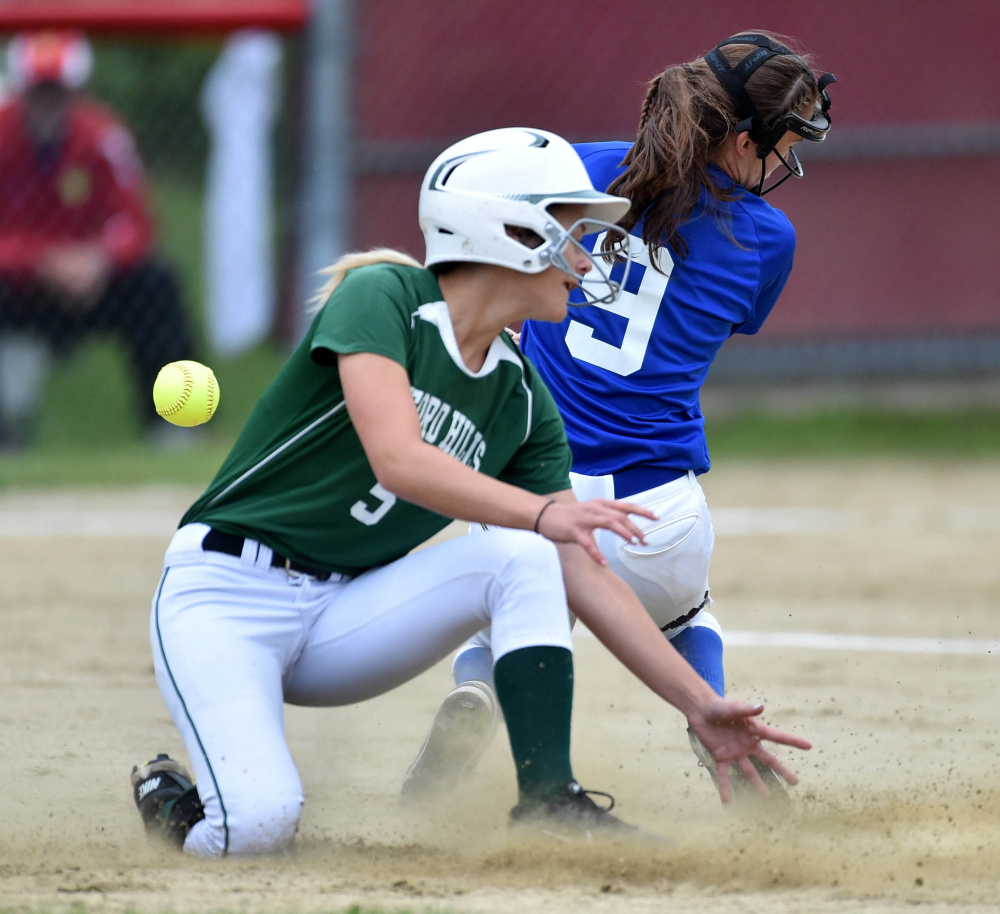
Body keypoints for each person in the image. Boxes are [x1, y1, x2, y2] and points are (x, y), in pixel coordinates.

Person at [129, 126, 810, 857]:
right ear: (509, 231)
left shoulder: (521, 397)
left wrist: (700, 704)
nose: (584, 261)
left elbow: (584, 569)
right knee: (260, 827)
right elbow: (398, 459)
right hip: (225, 598)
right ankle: (174, 806)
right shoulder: (383, 297)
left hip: (340, 618)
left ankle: (550, 797)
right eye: (571, 235)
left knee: (528, 556)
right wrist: (545, 511)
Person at [402, 32, 835, 805]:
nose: (783, 164)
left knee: (505, 613)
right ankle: (713, 716)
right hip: (655, 512)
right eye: (780, 146)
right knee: (688, 612)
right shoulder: (768, 239)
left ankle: (480, 689)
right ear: (740, 138)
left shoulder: (574, 171)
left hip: (537, 497)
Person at [0, 30, 196, 449]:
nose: (48, 102)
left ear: (77, 91)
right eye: (39, 90)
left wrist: (99, 259)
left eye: (58, 91)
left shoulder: (103, 136)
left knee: (158, 284)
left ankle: (178, 425)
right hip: (16, 287)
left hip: (92, 285)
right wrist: (42, 261)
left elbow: (136, 222)